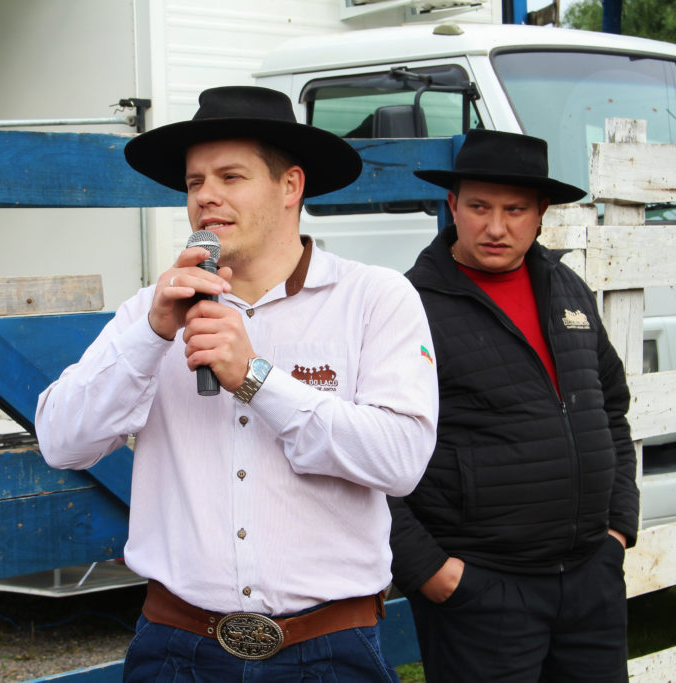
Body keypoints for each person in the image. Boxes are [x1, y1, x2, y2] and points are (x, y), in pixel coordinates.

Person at [35, 85, 438, 681]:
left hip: (328, 650)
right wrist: (150, 335)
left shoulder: (374, 298)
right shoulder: (152, 310)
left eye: (231, 177)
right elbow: (61, 443)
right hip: (177, 649)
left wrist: (256, 379)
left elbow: (401, 459)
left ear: (290, 187)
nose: (206, 198)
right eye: (195, 182)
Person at [389, 129, 639, 682]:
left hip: (590, 581)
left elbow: (612, 409)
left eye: (515, 209)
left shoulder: (567, 288)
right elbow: (370, 454)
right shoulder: (407, 307)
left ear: (541, 213)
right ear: (452, 204)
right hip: (482, 590)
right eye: (478, 206)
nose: (496, 227)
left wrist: (619, 528)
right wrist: (430, 570)